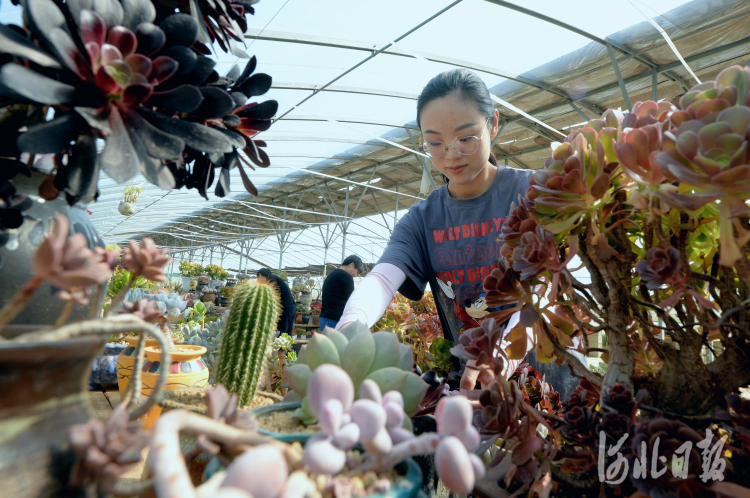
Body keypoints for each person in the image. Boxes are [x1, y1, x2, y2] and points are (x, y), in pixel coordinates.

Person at [336, 68, 585, 394]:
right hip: (476, 393)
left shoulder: (534, 192)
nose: (450, 154)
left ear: (493, 124)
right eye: (435, 142)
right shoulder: (423, 220)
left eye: (466, 138)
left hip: (553, 390)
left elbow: (553, 289)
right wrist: (349, 327)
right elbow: (382, 279)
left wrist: (500, 355)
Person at [319, 255, 365, 331]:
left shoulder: (332, 274)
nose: (355, 275)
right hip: (334, 320)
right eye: (357, 271)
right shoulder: (347, 277)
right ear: (351, 265)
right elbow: (351, 300)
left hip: (324, 318)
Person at [256, 268, 296, 336]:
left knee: (281, 334)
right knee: (287, 334)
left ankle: (282, 346)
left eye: (257, 279)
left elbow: (276, 293)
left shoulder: (270, 278)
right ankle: (288, 346)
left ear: (260, 275)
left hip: (285, 309)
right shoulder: (275, 278)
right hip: (291, 307)